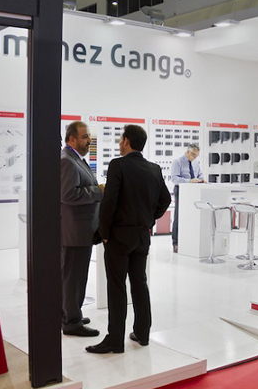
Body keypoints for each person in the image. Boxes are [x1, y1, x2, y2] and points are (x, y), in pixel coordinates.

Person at [86, 125, 171, 354]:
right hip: (142, 235)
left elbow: (109, 202)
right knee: (139, 284)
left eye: (120, 138)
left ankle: (115, 340)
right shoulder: (154, 169)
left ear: (126, 141)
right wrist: (149, 219)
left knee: (116, 287)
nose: (119, 142)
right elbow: (165, 199)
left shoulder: (118, 165)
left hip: (119, 236)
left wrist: (104, 233)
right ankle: (142, 333)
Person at [60, 121, 103, 337]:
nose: (89, 141)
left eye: (89, 137)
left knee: (73, 277)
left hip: (79, 231)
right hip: (75, 232)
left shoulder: (75, 159)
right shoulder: (67, 161)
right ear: (71, 139)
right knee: (74, 279)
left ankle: (70, 313)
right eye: (85, 137)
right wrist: (98, 191)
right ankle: (72, 322)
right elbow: (68, 194)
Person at [170, 143, 205, 253]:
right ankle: (176, 243)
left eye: (196, 155)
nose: (195, 157)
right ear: (188, 152)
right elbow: (174, 179)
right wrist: (189, 181)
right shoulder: (177, 162)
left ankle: (188, 241)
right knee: (179, 216)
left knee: (191, 216)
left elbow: (200, 174)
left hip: (193, 191)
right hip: (181, 190)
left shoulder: (195, 163)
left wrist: (201, 180)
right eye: (193, 155)